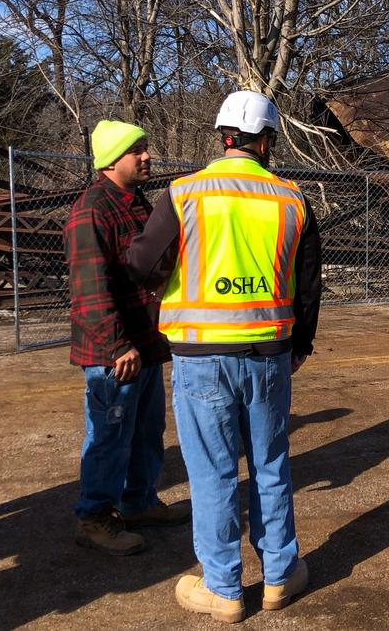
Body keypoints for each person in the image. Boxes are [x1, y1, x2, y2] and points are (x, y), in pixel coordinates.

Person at [126, 90, 322, 623]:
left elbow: (142, 264)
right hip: (270, 353)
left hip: (203, 356)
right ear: (266, 141)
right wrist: (300, 345)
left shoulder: (185, 193)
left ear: (223, 137)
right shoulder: (291, 199)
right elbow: (308, 285)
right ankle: (280, 576)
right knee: (270, 465)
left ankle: (224, 590)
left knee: (213, 474)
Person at [64, 119, 189, 556]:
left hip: (145, 345)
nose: (147, 156)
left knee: (147, 431)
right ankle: (94, 518)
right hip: (114, 354)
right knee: (109, 438)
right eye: (137, 150)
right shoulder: (92, 210)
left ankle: (139, 502)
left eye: (145, 147)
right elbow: (89, 291)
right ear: (111, 160)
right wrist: (117, 345)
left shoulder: (137, 203)